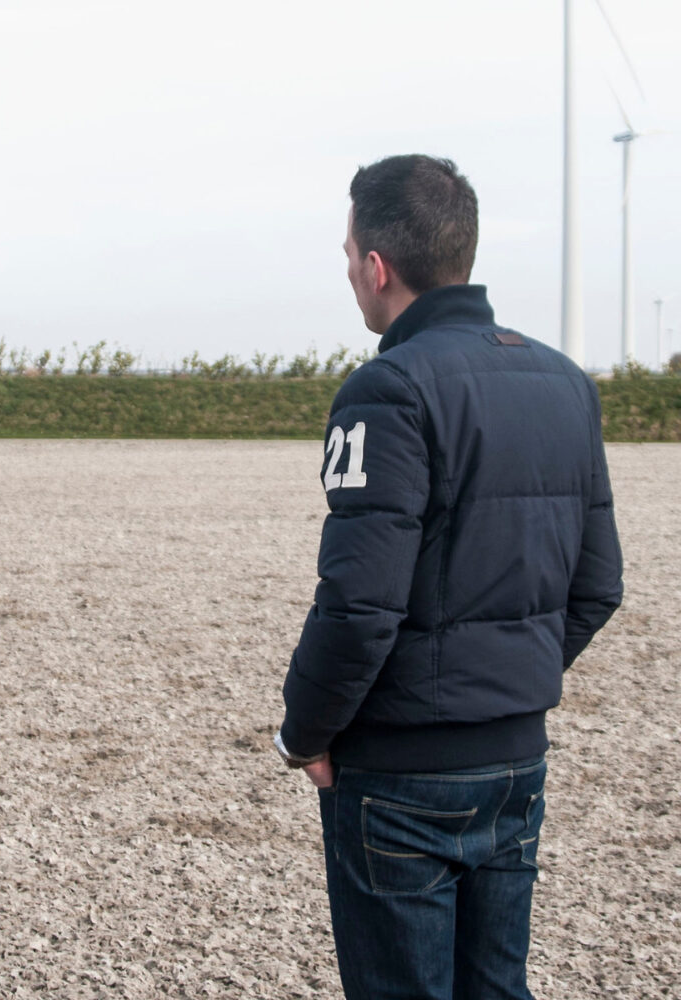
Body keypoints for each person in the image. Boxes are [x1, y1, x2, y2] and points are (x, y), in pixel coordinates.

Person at [275, 155, 623, 999]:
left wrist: (305, 731)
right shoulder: (565, 383)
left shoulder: (386, 388)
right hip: (516, 757)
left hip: (401, 773)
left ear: (376, 266)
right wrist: (503, 680)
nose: (348, 270)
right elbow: (597, 585)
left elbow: (360, 604)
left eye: (347, 253)